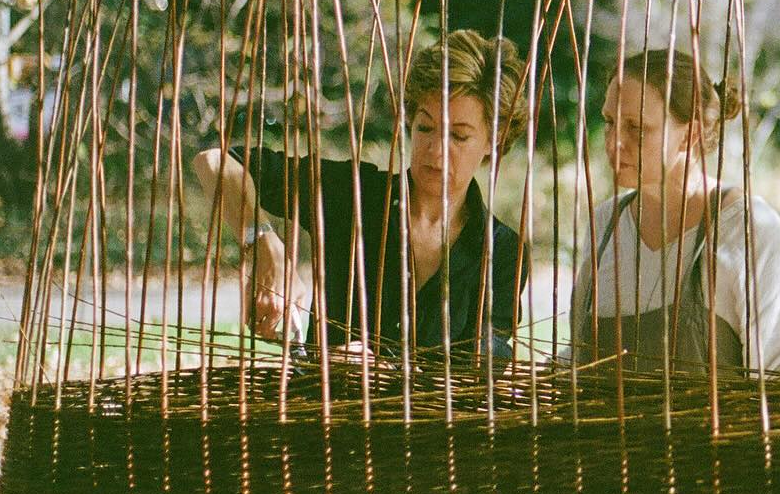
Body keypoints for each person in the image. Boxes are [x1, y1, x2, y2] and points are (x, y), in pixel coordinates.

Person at [193, 29, 529, 361]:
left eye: (458, 136)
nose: (435, 151)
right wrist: (263, 243)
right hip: (327, 413)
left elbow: (481, 372)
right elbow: (215, 161)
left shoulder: (503, 255)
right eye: (425, 127)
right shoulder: (352, 196)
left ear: (493, 141)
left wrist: (379, 369)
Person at [568, 47, 780, 385]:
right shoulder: (606, 224)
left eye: (636, 126)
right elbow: (576, 359)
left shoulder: (748, 233)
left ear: (691, 134)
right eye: (610, 122)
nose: (614, 143)